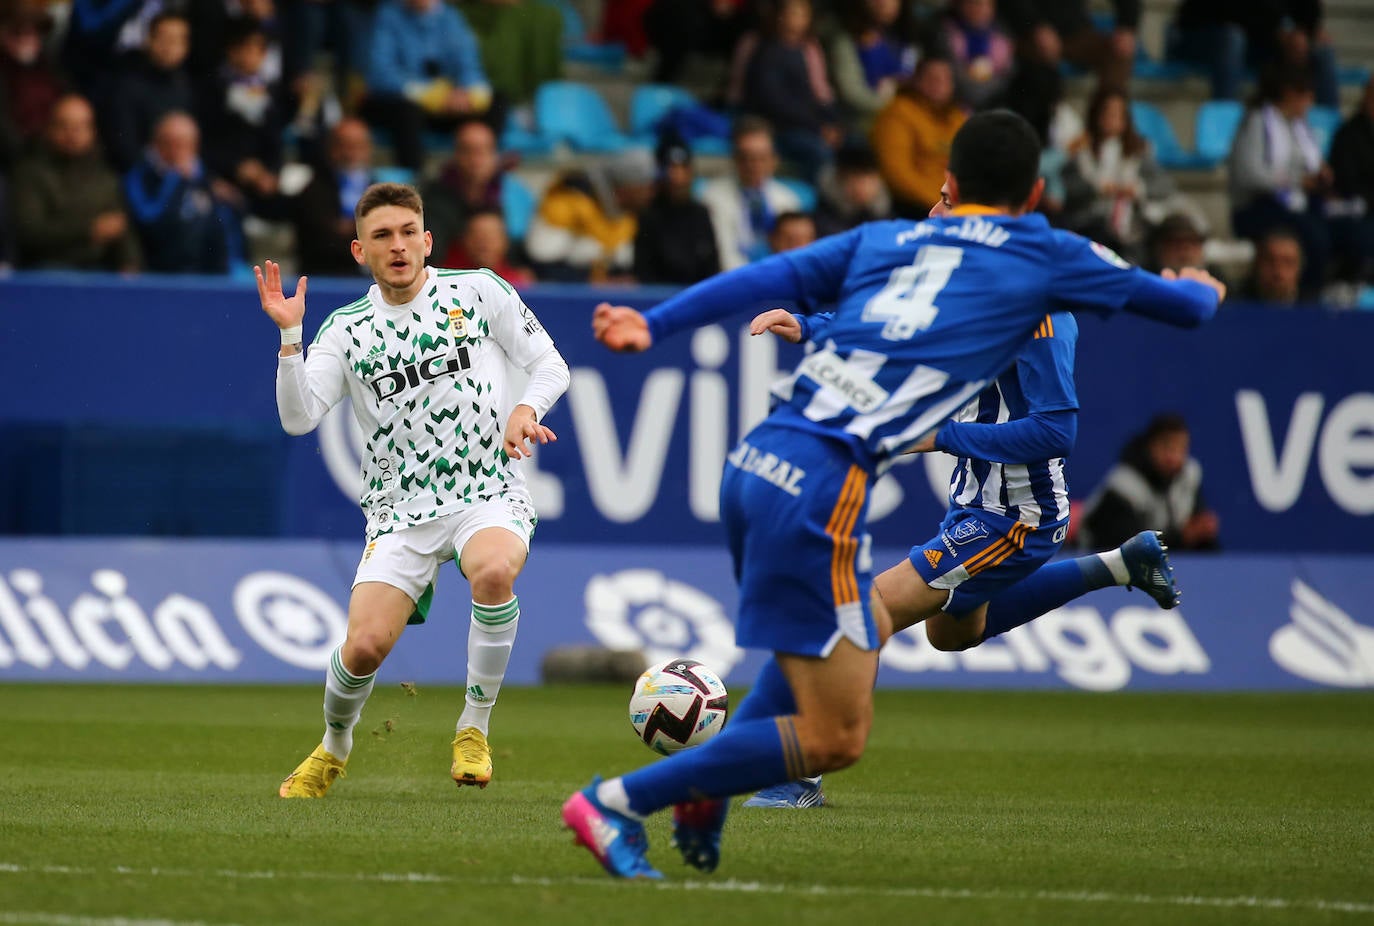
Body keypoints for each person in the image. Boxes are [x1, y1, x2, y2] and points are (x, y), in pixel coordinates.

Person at [566, 109, 1224, 879]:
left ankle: (702, 792)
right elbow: (1185, 308)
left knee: (920, 641)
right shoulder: (1043, 258)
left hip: (756, 464)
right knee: (836, 727)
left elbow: (772, 275)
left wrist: (656, 323)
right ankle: (624, 800)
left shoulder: (894, 242)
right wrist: (1198, 287)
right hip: (820, 489)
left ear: (946, 184)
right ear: (1036, 191)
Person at [737, 189, 1188, 810]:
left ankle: (803, 771)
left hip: (1017, 516)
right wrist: (809, 327)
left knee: (868, 607)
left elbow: (1058, 431)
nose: (933, 209)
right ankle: (1118, 564)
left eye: (949, 198)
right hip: (974, 501)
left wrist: (938, 436)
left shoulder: (1043, 310)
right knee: (952, 635)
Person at [260, 181, 569, 798]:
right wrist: (290, 339)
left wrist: (525, 409)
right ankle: (334, 746)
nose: (397, 246)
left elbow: (550, 364)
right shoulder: (346, 330)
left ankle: (473, 730)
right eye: (382, 236)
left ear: (427, 241)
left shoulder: (478, 290)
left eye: (407, 233)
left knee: (493, 571)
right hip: (398, 513)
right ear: (359, 251)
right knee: (365, 647)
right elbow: (298, 418)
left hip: (485, 489)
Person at [1228, 65, 1331, 295]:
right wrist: (1298, 181)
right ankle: (1308, 297)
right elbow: (1249, 175)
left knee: (1333, 224)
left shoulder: (1298, 127)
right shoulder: (1257, 122)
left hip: (1292, 204)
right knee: (1314, 236)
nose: (1310, 103)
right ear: (1288, 93)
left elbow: (1307, 164)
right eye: (1305, 95)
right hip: (1256, 207)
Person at [11, 93, 141, 272]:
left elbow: (121, 229)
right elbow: (30, 233)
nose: (72, 135)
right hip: (46, 270)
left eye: (81, 127)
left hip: (97, 271)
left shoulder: (104, 177)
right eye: (64, 126)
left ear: (92, 131)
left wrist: (130, 264)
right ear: (49, 128)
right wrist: (88, 230)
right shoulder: (30, 174)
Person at [362, 0, 494, 171]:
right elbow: (380, 73)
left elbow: (469, 64)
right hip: (401, 101)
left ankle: (484, 172)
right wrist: (425, 93)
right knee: (406, 112)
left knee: (496, 102)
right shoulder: (387, 15)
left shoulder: (451, 16)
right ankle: (414, 179)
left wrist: (466, 92)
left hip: (446, 103)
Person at [727, 0, 841, 184]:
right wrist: (816, 126)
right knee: (817, 152)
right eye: (792, 12)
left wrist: (832, 121)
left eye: (802, 14)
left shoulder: (810, 47)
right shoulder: (761, 46)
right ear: (778, 14)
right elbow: (771, 100)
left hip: (806, 122)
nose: (796, 19)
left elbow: (822, 91)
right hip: (772, 123)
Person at [1060, 84, 1177, 263]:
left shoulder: (1137, 152)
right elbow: (1069, 191)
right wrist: (1097, 189)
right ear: (1096, 116)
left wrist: (1136, 189)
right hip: (1091, 223)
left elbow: (1165, 185)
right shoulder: (1081, 152)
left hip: (1132, 224)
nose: (1111, 120)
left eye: (1117, 114)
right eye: (1107, 114)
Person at [1080, 414, 1220, 552]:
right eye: (1167, 447)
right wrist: (1183, 537)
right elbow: (1127, 547)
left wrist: (1200, 530)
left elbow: (1194, 527)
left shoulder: (1189, 475)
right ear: (1150, 446)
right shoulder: (1123, 486)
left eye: (1181, 448)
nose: (1174, 457)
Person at [124, 111, 241, 275]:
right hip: (158, 275)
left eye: (189, 144)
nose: (181, 152)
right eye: (175, 144)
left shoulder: (207, 181)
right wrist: (174, 180)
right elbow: (149, 222)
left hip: (207, 278)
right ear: (158, 144)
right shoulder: (140, 177)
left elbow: (225, 229)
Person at [1169, 0, 1340, 108]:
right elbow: (1229, 10)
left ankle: (1327, 132)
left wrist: (1304, 32)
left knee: (1323, 52)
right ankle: (1225, 121)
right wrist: (1279, 33)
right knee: (1233, 39)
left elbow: (1308, 9)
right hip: (1202, 34)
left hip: (1261, 39)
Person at [524, 148, 654, 283]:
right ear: (627, 188)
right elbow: (543, 266)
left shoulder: (629, 215)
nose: (650, 194)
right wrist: (593, 282)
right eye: (645, 187)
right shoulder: (566, 202)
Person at [700, 117, 802, 271]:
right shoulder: (712, 197)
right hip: (734, 282)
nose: (754, 165)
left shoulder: (788, 199)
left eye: (761, 158)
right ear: (734, 159)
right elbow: (724, 256)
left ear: (774, 160)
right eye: (746, 158)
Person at [871, 56, 965, 218]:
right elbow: (897, 175)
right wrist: (942, 202)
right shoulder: (898, 114)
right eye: (933, 78)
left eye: (946, 79)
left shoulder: (957, 118)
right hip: (915, 207)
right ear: (917, 81)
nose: (940, 84)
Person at [101, 10, 195, 172]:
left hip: (182, 172)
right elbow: (124, 149)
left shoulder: (187, 86)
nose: (169, 47)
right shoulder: (126, 86)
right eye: (163, 38)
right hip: (141, 176)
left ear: (186, 47)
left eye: (177, 41)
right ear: (148, 40)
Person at [291, 117, 380, 277]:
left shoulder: (379, 189)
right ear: (332, 149)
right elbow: (323, 240)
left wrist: (350, 228)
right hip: (324, 279)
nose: (353, 154)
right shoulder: (314, 190)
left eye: (360, 146)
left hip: (370, 281)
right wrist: (365, 230)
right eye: (346, 146)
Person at [633, 134, 720, 285]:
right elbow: (644, 274)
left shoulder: (701, 214)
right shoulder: (648, 217)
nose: (677, 176)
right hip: (659, 299)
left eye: (683, 168)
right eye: (671, 168)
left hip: (698, 298)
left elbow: (712, 268)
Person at [420, 119, 506, 266]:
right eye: (468, 151)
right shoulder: (434, 200)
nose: (476, 160)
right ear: (456, 155)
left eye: (484, 151)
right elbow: (431, 256)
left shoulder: (508, 193)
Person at [827, 0, 919, 134]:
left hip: (911, 121)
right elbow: (852, 93)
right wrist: (887, 102)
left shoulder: (907, 40)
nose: (883, 2)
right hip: (865, 124)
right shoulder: (845, 43)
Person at [941, 0, 1015, 110]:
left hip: (993, 101)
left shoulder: (1001, 37)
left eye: (986, 5)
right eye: (973, 3)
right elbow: (949, 71)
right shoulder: (946, 31)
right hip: (955, 101)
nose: (979, 9)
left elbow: (1008, 74)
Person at [814, 144, 892, 237]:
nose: (864, 187)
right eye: (856, 179)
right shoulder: (822, 219)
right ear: (839, 180)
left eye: (870, 179)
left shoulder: (886, 217)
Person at [446, 207, 534, 286]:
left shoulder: (521, 282)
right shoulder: (448, 281)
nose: (484, 243)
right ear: (464, 240)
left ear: (505, 241)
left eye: (491, 236)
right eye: (477, 236)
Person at [1239, 227, 1305, 305]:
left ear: (1299, 267)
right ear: (1257, 265)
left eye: (1287, 262)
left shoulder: (1315, 308)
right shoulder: (1235, 306)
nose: (1279, 271)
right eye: (1270, 261)